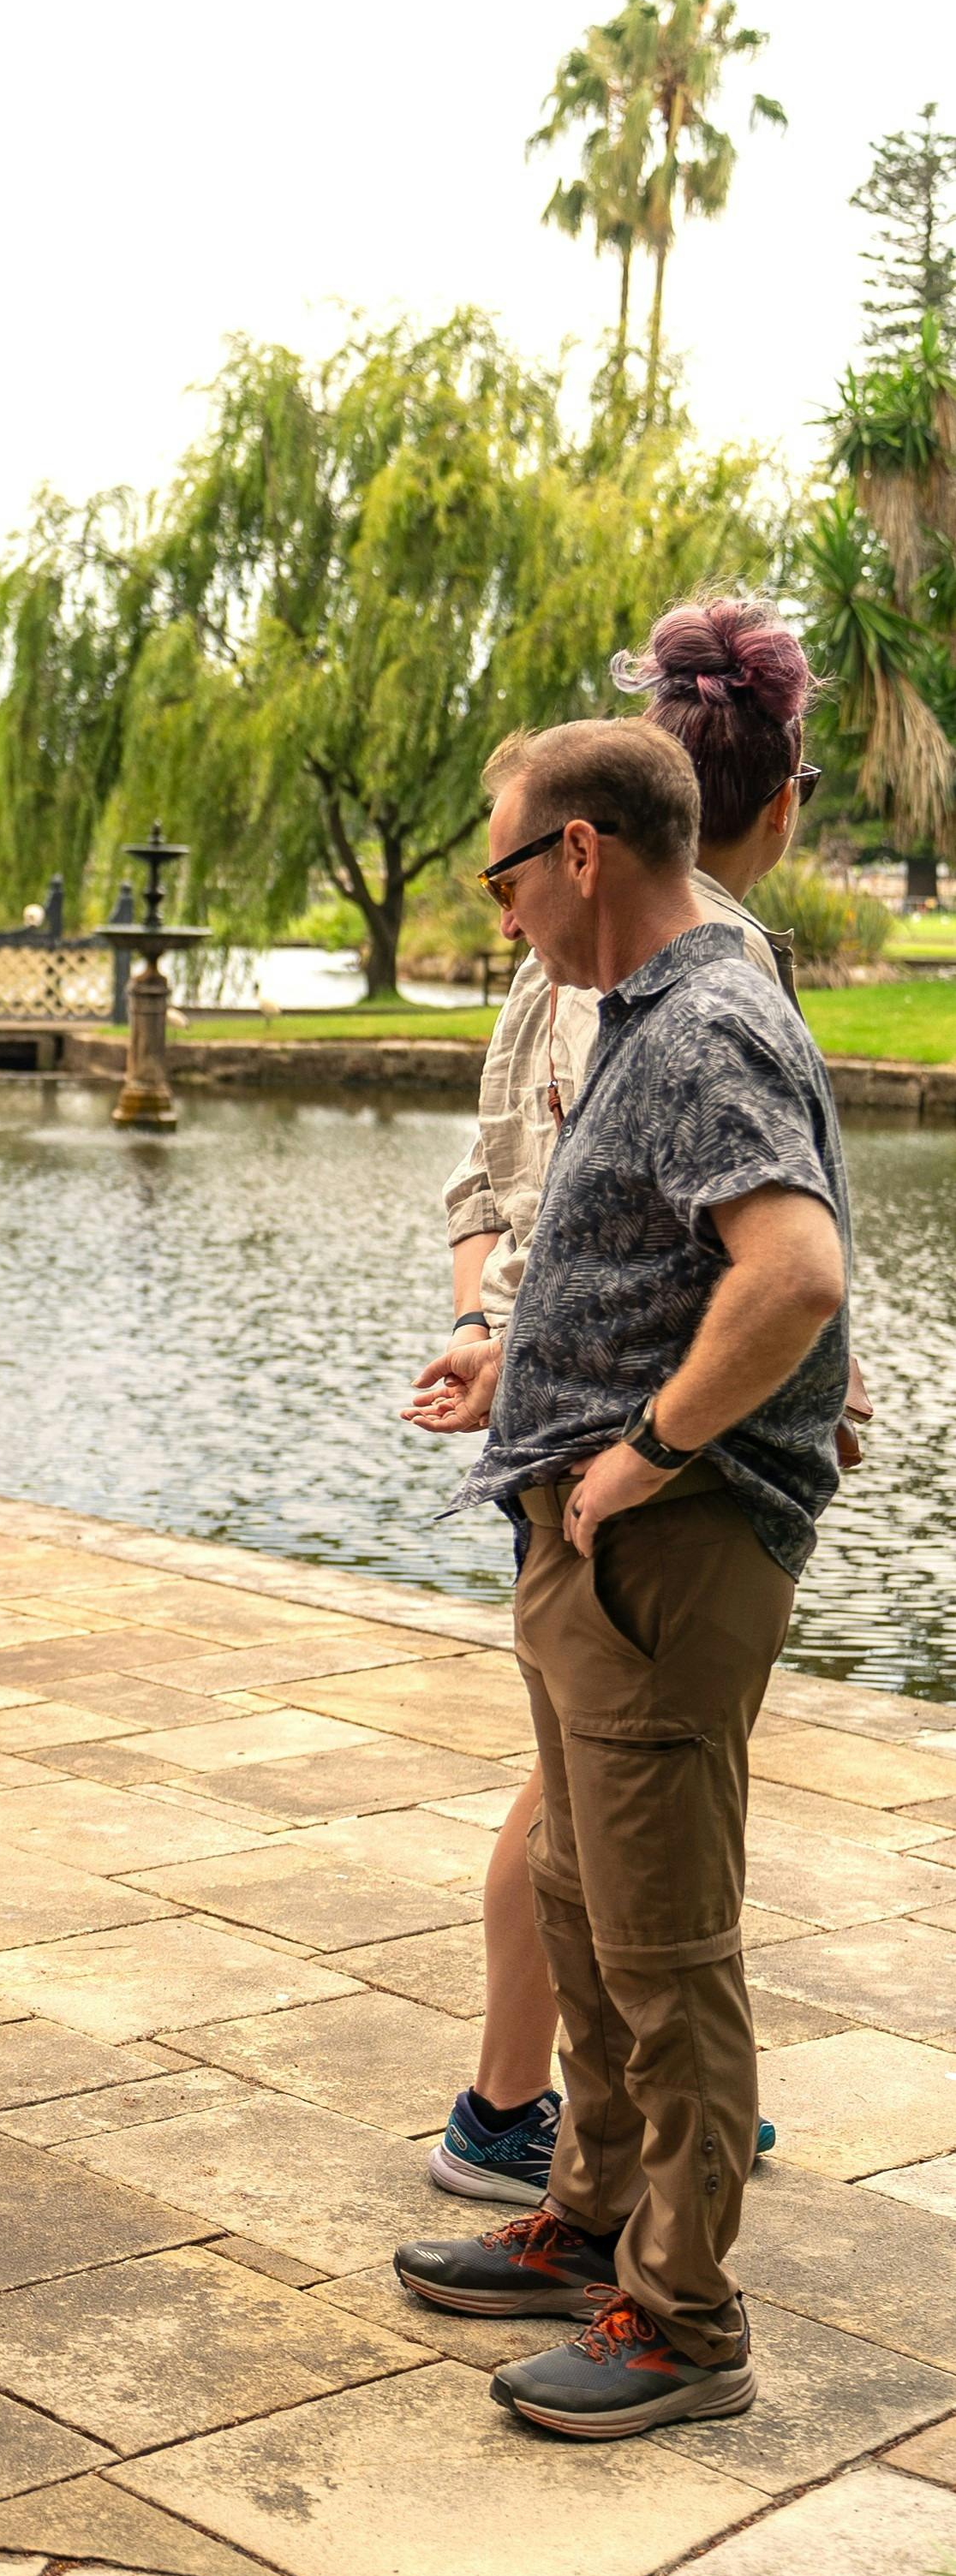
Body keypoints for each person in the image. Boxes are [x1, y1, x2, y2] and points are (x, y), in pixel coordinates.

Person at [392, 714, 851, 2440]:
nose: (500, 909)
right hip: (597, 1537)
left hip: (670, 1545)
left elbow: (792, 1274)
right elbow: (665, 1266)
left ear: (580, 851)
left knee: (666, 1949)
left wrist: (649, 1447)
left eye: (504, 870)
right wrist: (520, 1373)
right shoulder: (652, 1013)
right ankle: (589, 2217)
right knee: (586, 1899)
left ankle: (685, 2318)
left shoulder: (706, 1017)